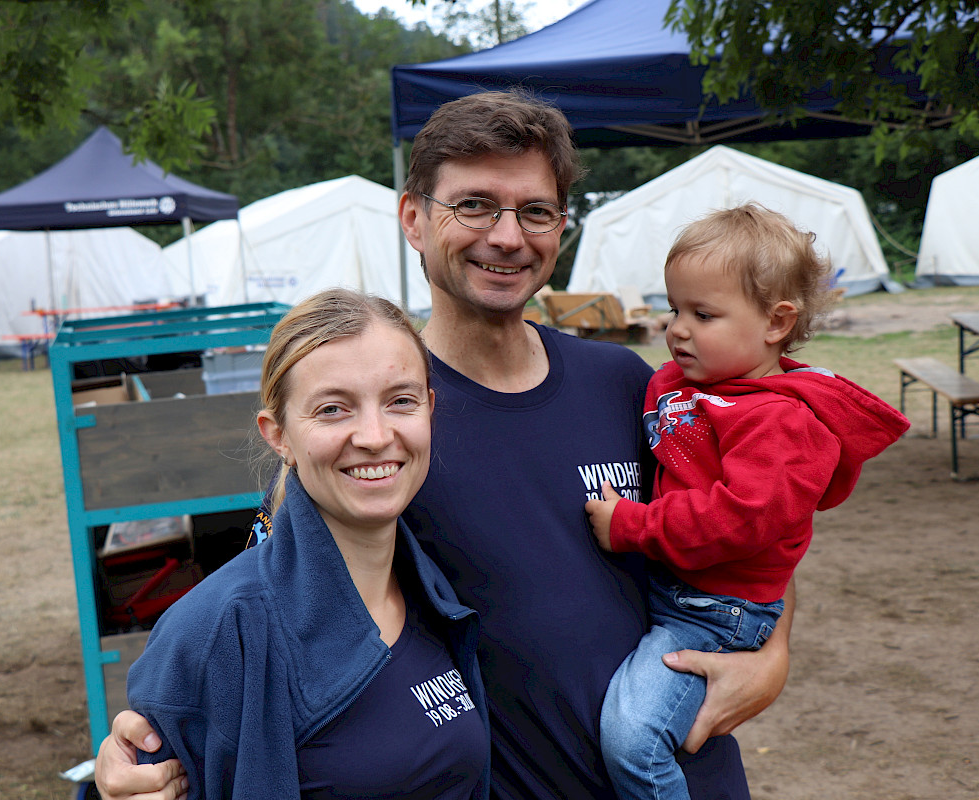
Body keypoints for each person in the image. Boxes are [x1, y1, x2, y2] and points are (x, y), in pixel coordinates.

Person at [96, 90, 793, 800]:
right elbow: (263, 615)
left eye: (535, 211)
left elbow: (764, 518)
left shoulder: (627, 385)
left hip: (690, 777)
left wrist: (774, 655)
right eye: (475, 205)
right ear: (414, 218)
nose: (507, 236)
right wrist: (132, 757)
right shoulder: (384, 440)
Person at [585, 204, 910, 800]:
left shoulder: (780, 421)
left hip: (713, 613)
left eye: (703, 314)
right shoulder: (694, 387)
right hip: (681, 593)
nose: (677, 329)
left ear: (776, 322)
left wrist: (631, 525)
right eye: (674, 308)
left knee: (632, 739)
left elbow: (740, 519)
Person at [123, 289, 491, 799]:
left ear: (429, 410)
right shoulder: (217, 634)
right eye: (334, 409)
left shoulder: (433, 588)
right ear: (280, 436)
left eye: (400, 401)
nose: (373, 435)